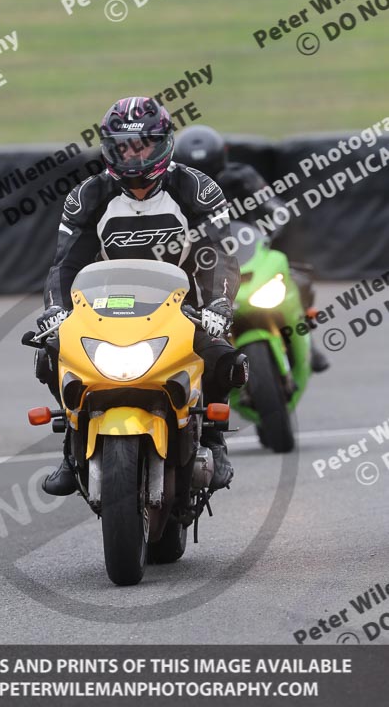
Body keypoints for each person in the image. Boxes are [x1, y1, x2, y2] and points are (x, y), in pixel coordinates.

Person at [36, 97, 249, 497]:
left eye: (143, 145)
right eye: (123, 147)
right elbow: (65, 264)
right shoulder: (87, 196)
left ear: (164, 143)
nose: (134, 156)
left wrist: (219, 304)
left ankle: (213, 439)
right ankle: (70, 447)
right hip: (104, 310)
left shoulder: (197, 189)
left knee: (224, 358)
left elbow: (219, 255)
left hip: (182, 309)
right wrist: (55, 310)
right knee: (49, 352)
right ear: (108, 149)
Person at [174, 125, 329, 372]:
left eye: (208, 169)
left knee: (297, 279)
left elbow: (274, 205)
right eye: (198, 170)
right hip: (202, 257)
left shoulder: (242, 177)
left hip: (247, 247)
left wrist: (272, 226)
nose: (204, 178)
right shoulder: (175, 187)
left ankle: (308, 340)